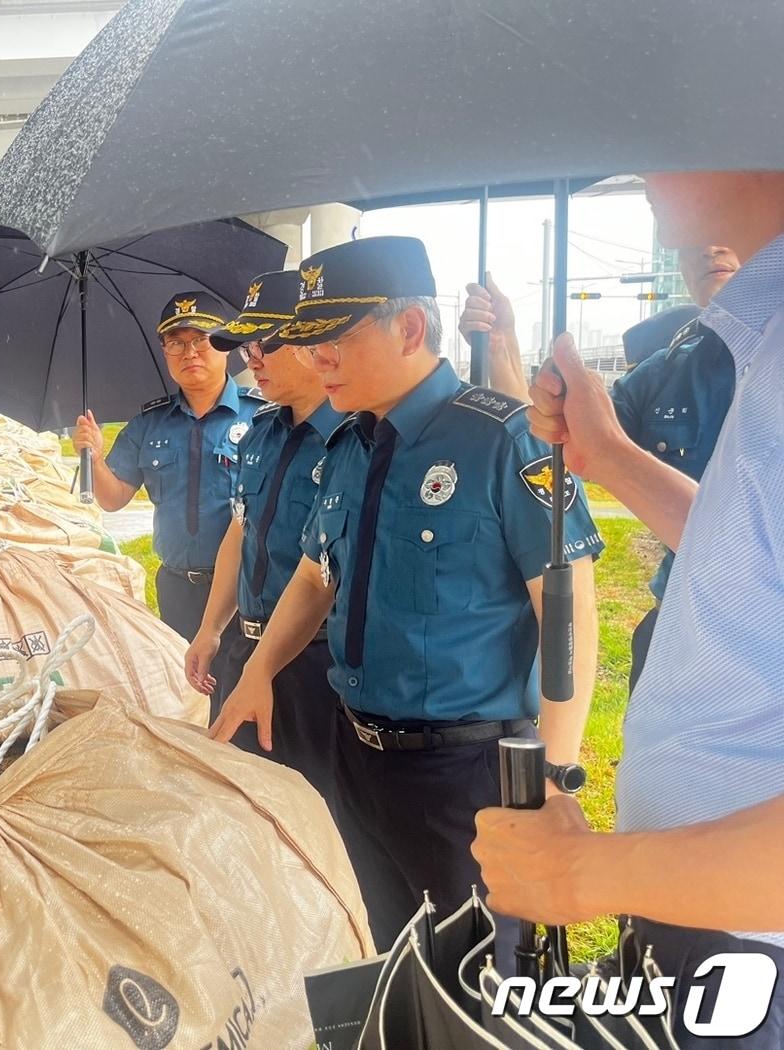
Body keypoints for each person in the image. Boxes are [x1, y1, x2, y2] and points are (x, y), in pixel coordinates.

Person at [210, 237, 601, 950]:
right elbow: (314, 575)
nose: (315, 357)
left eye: (331, 339)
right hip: (358, 757)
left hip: (464, 778)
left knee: (480, 980)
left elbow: (569, 610)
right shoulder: (352, 446)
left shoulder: (502, 438)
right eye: (308, 341)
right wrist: (259, 669)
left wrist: (552, 772)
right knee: (394, 959)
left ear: (411, 329)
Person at [473, 171, 784, 1049]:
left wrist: (582, 872)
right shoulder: (763, 337)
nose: (643, 155)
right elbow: (754, 557)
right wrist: (606, 455)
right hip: (698, 920)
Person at [460, 245, 740, 688]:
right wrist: (500, 347)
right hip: (678, 636)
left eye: (736, 208)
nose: (710, 243)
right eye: (695, 229)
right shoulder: (666, 370)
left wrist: (610, 453)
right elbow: (550, 451)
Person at [182, 270, 347, 773]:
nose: (251, 358)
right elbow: (241, 530)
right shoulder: (260, 433)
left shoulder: (352, 442)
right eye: (247, 345)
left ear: (311, 342)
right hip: (243, 648)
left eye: (265, 343)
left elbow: (325, 571)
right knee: (236, 802)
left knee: (311, 815)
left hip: (316, 663)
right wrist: (211, 628)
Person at [71, 291, 266, 660]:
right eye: (176, 343)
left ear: (225, 345)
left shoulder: (261, 418)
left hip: (246, 588)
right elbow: (113, 500)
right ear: (164, 351)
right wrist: (94, 459)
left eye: (200, 340)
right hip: (177, 588)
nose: (189, 353)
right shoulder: (149, 423)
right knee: (184, 696)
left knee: (240, 698)